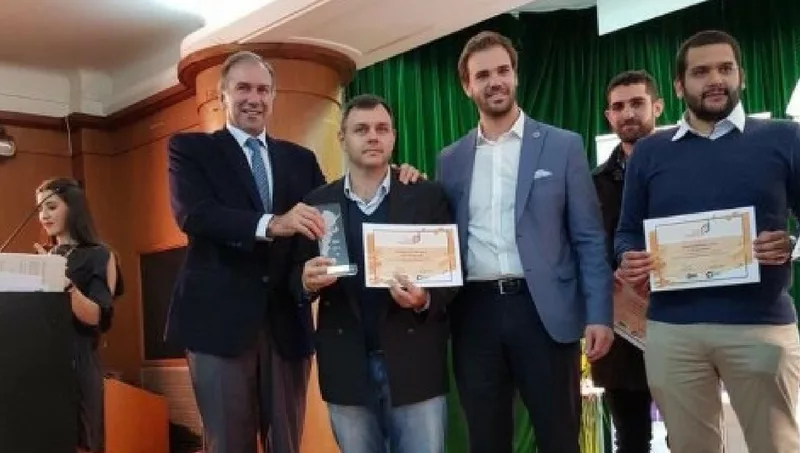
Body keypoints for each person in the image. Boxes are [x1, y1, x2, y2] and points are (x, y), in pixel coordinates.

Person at [166, 51, 421, 453]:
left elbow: (334, 215)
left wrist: (395, 177)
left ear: (273, 97)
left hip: (287, 324)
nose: (254, 98)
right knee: (228, 444)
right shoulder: (191, 149)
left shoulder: (300, 159)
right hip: (218, 324)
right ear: (222, 94)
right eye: (243, 88)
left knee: (287, 444)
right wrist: (272, 224)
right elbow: (194, 215)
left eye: (263, 90)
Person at [615, 30, 800, 453]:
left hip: (760, 326)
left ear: (741, 77)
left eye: (725, 68)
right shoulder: (649, 152)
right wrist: (628, 257)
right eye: (701, 72)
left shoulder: (785, 138)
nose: (715, 79)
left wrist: (791, 244)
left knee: (777, 446)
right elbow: (627, 231)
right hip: (672, 331)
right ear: (680, 86)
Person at [436, 31, 614, 453]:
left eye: (502, 70)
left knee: (559, 438)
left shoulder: (563, 145)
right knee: (486, 440)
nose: (494, 81)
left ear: (515, 75)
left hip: (544, 312)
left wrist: (599, 314)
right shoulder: (450, 159)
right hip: (474, 314)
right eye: (483, 75)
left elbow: (589, 238)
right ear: (467, 86)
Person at [294, 94, 456, 453]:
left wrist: (424, 299)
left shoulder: (426, 195)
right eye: (361, 129)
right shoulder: (318, 203)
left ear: (393, 137)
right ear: (342, 139)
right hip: (346, 367)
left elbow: (451, 276)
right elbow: (293, 275)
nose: (373, 136)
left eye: (382, 129)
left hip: (415, 366)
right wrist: (305, 281)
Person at [591, 70, 664, 453]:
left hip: (680, 321)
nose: (628, 113)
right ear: (609, 116)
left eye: (637, 103)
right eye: (618, 107)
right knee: (631, 440)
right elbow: (586, 249)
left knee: (692, 433)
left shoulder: (683, 169)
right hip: (621, 329)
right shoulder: (592, 184)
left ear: (657, 107)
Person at [34, 177, 124, 453]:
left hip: (78, 364)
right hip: (41, 366)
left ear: (73, 208)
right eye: (40, 209)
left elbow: (96, 316)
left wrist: (64, 282)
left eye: (51, 207)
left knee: (81, 443)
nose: (44, 215)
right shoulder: (46, 256)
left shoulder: (100, 255)